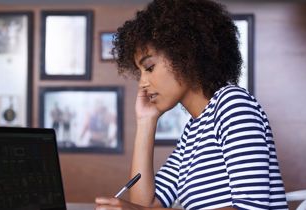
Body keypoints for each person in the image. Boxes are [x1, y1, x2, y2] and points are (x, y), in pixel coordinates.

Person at [95, 0, 288, 209]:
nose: (142, 83)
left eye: (149, 67)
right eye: (139, 73)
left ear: (185, 54)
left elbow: (250, 208)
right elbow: (145, 204)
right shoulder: (193, 132)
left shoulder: (233, 106)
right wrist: (145, 122)